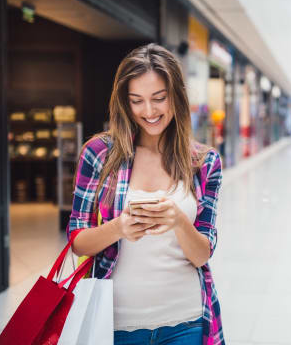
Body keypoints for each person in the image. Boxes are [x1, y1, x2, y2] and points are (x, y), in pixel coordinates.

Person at [66, 43, 224, 345]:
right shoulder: (99, 154)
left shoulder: (204, 164)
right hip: (115, 325)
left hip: (186, 322)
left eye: (159, 99)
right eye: (136, 101)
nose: (148, 112)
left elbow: (202, 254)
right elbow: (77, 241)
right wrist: (119, 227)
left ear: (176, 96)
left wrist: (178, 220)